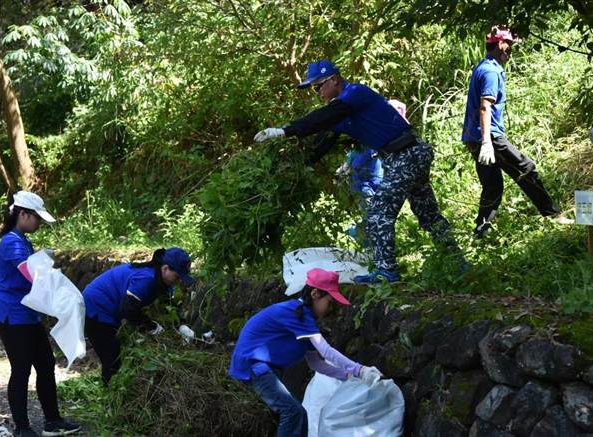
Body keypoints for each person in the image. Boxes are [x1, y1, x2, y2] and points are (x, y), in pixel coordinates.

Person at [254, 60, 465, 283]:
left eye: (318, 86)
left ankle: (387, 273)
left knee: (378, 213)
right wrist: (296, 166)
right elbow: (322, 142)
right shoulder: (342, 113)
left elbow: (326, 116)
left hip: (407, 154)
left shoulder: (355, 93)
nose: (318, 93)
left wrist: (285, 131)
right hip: (402, 157)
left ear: (334, 80)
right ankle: (458, 263)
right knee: (428, 214)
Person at [228, 268, 383, 437]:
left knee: (297, 413)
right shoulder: (296, 314)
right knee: (294, 413)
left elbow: (315, 363)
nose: (331, 309)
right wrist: (360, 370)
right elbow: (326, 351)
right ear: (315, 294)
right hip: (253, 366)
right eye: (330, 303)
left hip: (264, 368)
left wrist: (347, 376)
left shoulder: (303, 318)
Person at [461, 25, 572, 238]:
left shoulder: (483, 66)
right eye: (509, 46)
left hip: (474, 137)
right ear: (499, 44)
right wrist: (486, 142)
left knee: (492, 188)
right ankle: (553, 215)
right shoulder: (492, 72)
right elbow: (485, 106)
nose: (510, 51)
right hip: (489, 137)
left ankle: (480, 234)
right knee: (526, 169)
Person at [0, 191, 80, 437]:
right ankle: (22, 428)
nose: (39, 223)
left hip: (27, 315)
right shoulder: (12, 242)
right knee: (21, 370)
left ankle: (52, 421)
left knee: (46, 364)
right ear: (23, 214)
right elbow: (32, 275)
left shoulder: (22, 239)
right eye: (36, 218)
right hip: (11, 316)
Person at [82, 247, 194, 384]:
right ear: (165, 268)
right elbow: (127, 309)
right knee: (112, 360)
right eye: (177, 276)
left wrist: (182, 325)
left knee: (117, 356)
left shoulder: (164, 281)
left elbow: (169, 304)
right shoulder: (146, 279)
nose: (178, 281)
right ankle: (110, 397)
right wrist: (151, 326)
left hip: (109, 307)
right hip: (96, 308)